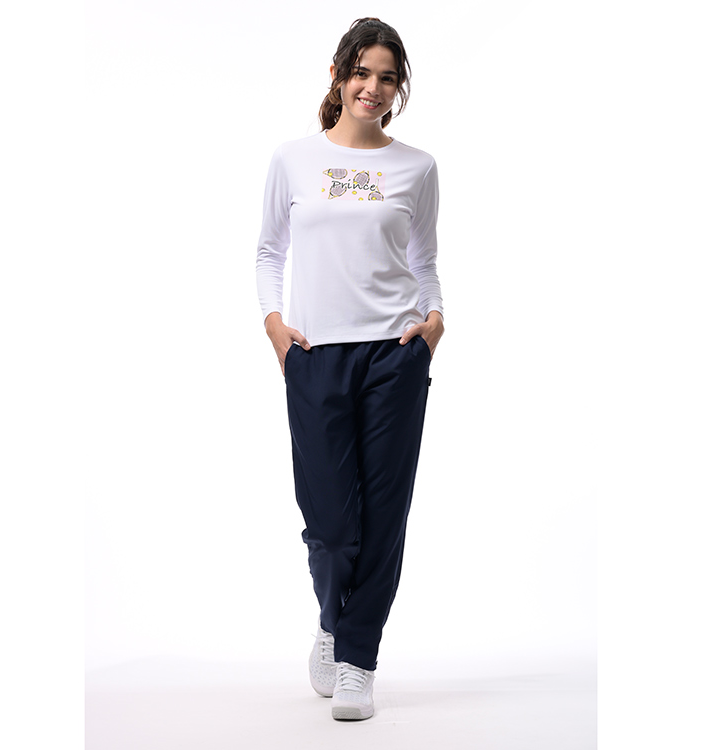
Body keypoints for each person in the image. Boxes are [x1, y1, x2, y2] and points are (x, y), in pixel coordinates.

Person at [255, 17, 444, 721]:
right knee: (332, 523)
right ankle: (333, 620)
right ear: (337, 76)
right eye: (361, 72)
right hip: (315, 355)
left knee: (384, 514)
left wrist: (435, 322)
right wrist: (274, 326)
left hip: (395, 353)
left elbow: (423, 260)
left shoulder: (418, 167)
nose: (372, 88)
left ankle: (358, 659)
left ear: (398, 89)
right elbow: (268, 251)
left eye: (387, 78)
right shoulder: (293, 160)